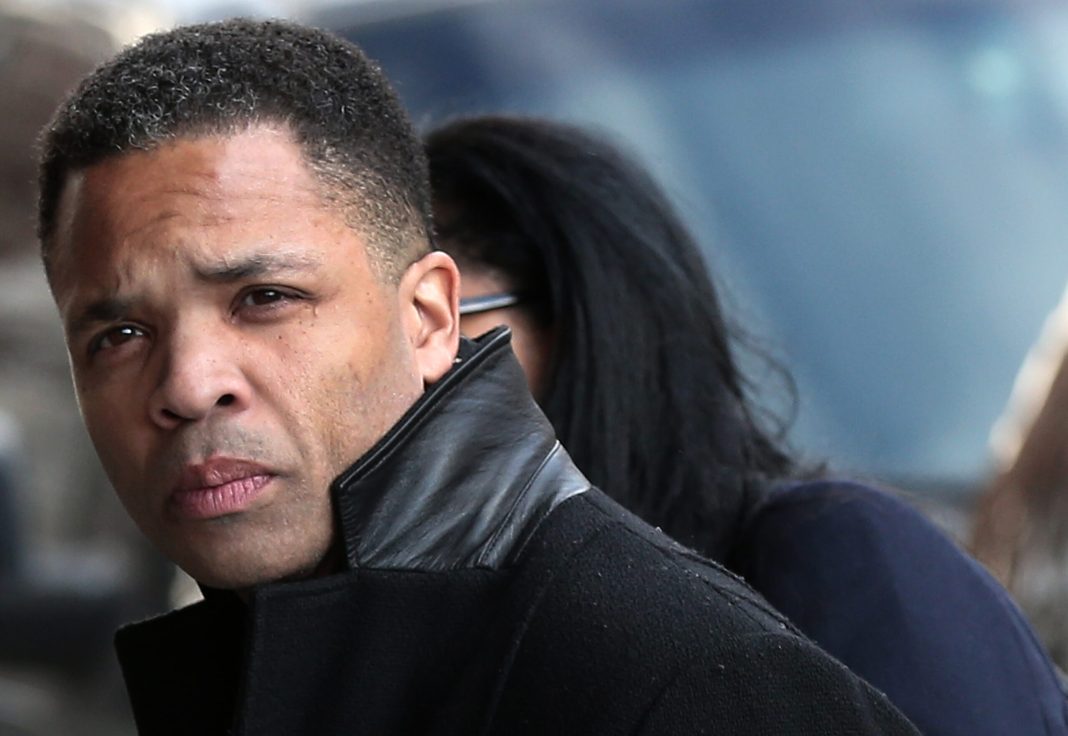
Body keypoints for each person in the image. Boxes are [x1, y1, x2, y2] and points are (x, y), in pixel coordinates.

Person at [36, 19, 920, 736]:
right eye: (118, 333)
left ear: (428, 320)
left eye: (264, 297)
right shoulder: (234, 670)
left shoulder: (681, 685)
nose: (188, 384)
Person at [426, 114, 1068, 736]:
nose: (417, 365)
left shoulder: (833, 554)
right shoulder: (461, 627)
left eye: (445, 317)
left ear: (579, 323)